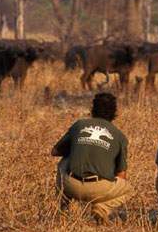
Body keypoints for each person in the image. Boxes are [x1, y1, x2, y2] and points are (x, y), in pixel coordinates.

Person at [52, 92, 133, 224]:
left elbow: (54, 151)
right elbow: (122, 175)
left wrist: (76, 149)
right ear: (115, 112)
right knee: (129, 189)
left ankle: (62, 208)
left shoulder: (79, 125)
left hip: (70, 185)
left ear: (92, 109)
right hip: (100, 189)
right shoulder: (120, 136)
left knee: (64, 162)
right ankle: (102, 208)